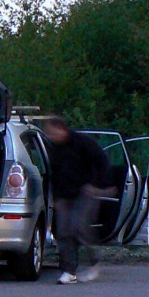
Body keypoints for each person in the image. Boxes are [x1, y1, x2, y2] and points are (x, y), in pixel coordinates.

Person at [42, 115, 116, 285]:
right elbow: (53, 174)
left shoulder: (83, 143)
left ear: (62, 129)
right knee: (62, 232)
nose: (51, 136)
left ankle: (94, 260)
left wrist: (99, 185)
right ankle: (69, 271)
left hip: (85, 192)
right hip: (64, 195)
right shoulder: (53, 149)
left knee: (80, 227)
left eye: (53, 132)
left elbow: (102, 162)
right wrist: (55, 198)